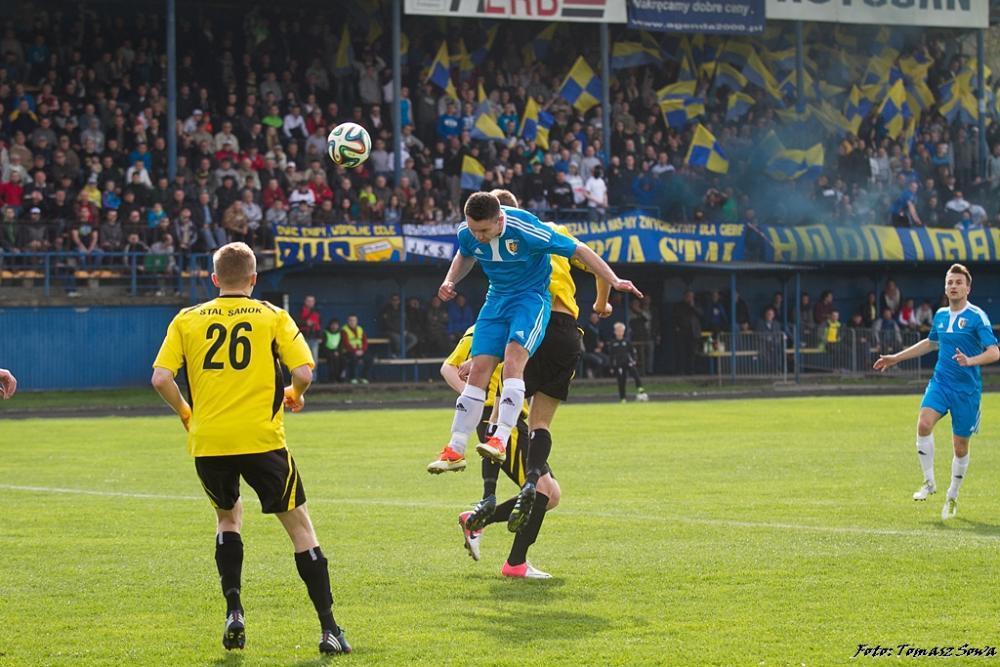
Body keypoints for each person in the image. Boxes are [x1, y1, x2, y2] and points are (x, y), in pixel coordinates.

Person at [150, 242, 350, 655]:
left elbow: (160, 378)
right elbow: (303, 371)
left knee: (228, 519)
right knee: (300, 528)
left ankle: (235, 610)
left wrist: (187, 412)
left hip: (211, 440)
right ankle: (329, 629)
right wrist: (294, 393)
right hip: (262, 440)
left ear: (214, 279)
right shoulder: (272, 316)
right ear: (254, 279)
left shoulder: (186, 319)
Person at [430, 192, 642, 478]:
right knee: (479, 370)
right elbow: (465, 254)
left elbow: (579, 250)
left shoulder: (528, 229)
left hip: (530, 300)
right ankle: (455, 449)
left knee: (513, 360)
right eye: (473, 229)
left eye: (484, 230)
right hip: (497, 300)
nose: (478, 236)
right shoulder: (468, 232)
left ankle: (500, 439)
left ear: (501, 219)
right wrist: (450, 279)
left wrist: (614, 280)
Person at [874, 264, 999, 520]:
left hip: (966, 391)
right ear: (945, 287)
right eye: (950, 282)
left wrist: (970, 361)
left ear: (968, 288)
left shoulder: (977, 316)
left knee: (960, 447)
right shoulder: (941, 315)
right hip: (941, 383)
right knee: (923, 423)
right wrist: (896, 358)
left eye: (958, 282)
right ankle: (929, 482)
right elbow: (931, 343)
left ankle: (952, 496)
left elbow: (994, 351)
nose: (953, 286)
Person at [441, 325, 560, 578]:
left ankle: (476, 521)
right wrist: (472, 397)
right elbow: (449, 367)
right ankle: (515, 563)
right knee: (544, 491)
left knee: (551, 495)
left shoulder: (523, 325)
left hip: (517, 420)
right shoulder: (482, 328)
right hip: (496, 420)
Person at [607, 322, 646, 403]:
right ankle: (623, 398)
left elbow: (632, 352)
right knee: (621, 381)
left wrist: (634, 360)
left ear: (623, 331)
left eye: (621, 331)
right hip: (619, 364)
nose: (619, 332)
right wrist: (611, 367)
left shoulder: (627, 341)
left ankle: (640, 388)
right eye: (618, 331)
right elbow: (611, 356)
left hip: (628, 362)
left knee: (635, 374)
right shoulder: (613, 343)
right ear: (615, 332)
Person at [297, 295, 322, 376]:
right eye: (308, 301)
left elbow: (319, 325)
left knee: (314, 359)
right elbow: (295, 321)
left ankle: (313, 378)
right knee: (303, 359)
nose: (310, 303)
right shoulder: (300, 311)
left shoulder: (317, 312)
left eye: (312, 301)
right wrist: (306, 323)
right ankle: (303, 378)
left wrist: (319, 337)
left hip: (314, 338)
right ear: (305, 302)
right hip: (303, 338)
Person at [341, 314, 370, 384]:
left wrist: (362, 350)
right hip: (348, 351)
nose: (352, 322)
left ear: (357, 321)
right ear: (347, 321)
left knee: (369, 358)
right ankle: (353, 378)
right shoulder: (344, 330)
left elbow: (365, 342)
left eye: (354, 320)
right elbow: (346, 343)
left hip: (360, 351)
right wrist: (355, 351)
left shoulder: (360, 329)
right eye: (350, 320)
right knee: (353, 358)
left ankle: (364, 377)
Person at [321, 318, 344, 383]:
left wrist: (337, 352)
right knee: (332, 358)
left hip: (336, 352)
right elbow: (323, 346)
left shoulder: (340, 333)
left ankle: (339, 377)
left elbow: (341, 345)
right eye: (333, 325)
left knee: (342, 359)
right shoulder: (325, 333)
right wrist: (333, 352)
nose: (334, 327)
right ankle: (332, 378)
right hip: (326, 352)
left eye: (336, 325)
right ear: (330, 325)